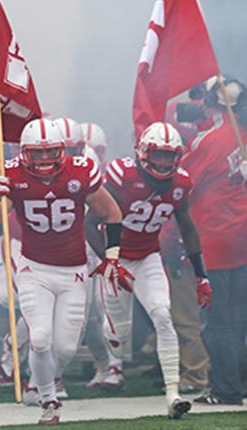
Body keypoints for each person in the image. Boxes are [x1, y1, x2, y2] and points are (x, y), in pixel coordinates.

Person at [0, 118, 125, 425]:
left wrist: (112, 256)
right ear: (25, 152)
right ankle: (47, 398)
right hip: (34, 268)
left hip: (73, 270)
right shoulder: (12, 172)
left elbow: (112, 212)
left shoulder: (80, 171)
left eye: (50, 152)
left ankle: (43, 381)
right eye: (38, 153)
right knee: (41, 338)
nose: (45, 159)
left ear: (62, 150)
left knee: (66, 348)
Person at [85, 122, 210, 418]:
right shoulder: (121, 176)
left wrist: (201, 274)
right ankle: (113, 348)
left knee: (163, 315)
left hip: (147, 257)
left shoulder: (180, 183)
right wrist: (108, 261)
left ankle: (173, 394)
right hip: (116, 257)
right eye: (158, 155)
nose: (164, 163)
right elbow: (90, 223)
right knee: (118, 335)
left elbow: (188, 228)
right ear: (143, 153)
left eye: (169, 156)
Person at [182, 77, 247, 406]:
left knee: (218, 321)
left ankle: (227, 389)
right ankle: (238, 382)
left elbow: (183, 184)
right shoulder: (239, 134)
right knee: (239, 317)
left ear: (209, 103)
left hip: (216, 240)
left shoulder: (210, 141)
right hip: (240, 239)